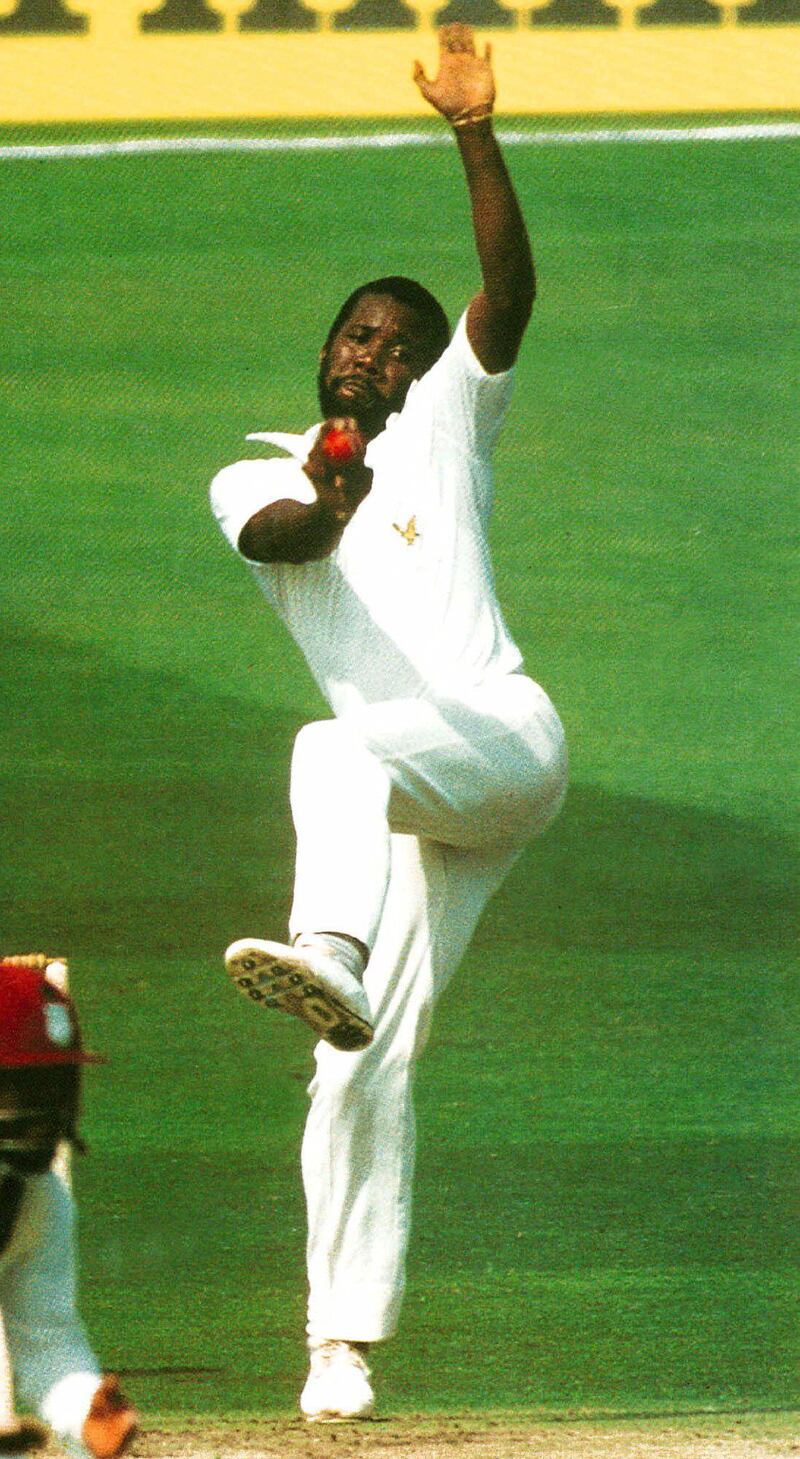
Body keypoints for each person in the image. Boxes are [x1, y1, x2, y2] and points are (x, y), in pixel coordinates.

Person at [210, 24, 568, 1421]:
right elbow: (296, 536)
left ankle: (327, 945)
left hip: (504, 743)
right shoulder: (251, 479)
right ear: (327, 349)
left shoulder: (442, 429)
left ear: (423, 375)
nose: (371, 353)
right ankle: (339, 1344)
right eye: (357, 333)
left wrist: (473, 129)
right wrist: (338, 489)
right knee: (354, 1059)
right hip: (415, 805)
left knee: (332, 745)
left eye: (396, 346)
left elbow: (510, 291)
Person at [0, 957, 138, 1458]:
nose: (36, 1112)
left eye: (49, 1086)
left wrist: (85, 1411)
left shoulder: (38, 1198)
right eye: (16, 1087)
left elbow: (47, 1343)